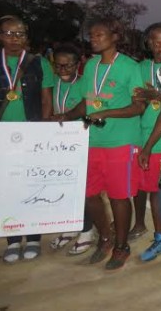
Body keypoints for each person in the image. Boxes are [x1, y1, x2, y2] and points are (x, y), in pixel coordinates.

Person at [57, 17, 145, 270]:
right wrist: (67, 115)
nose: (93, 39)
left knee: (119, 197)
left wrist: (107, 113)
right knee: (89, 194)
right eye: (91, 36)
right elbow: (87, 101)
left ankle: (121, 245)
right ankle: (104, 237)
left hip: (121, 141)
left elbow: (138, 107)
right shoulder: (91, 65)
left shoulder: (130, 67)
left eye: (99, 35)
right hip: (92, 140)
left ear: (115, 37)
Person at [0, 15, 54, 263]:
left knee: (33, 186)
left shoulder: (39, 63)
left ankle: (32, 236)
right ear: (0, 35)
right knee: (7, 188)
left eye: (20, 34)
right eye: (9, 34)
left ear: (26, 37)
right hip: (2, 136)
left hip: (32, 134)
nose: (15, 39)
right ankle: (12, 238)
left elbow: (46, 99)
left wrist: (42, 132)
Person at [130, 22, 161, 261]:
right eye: (156, 42)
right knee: (154, 192)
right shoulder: (141, 68)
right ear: (148, 45)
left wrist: (157, 95)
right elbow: (138, 101)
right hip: (149, 137)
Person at [49, 43, 96, 256]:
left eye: (68, 65)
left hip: (79, 141)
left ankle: (87, 230)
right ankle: (70, 224)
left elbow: (88, 106)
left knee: (82, 189)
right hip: (58, 143)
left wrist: (72, 117)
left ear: (78, 65)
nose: (63, 70)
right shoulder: (53, 82)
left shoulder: (83, 82)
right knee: (63, 186)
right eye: (59, 66)